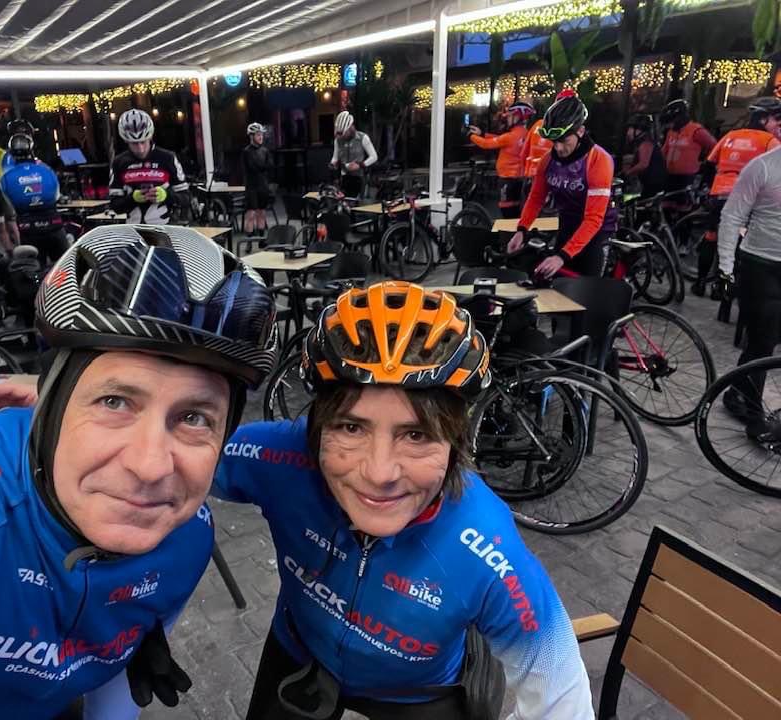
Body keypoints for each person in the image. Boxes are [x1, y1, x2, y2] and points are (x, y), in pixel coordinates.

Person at [0, 224, 279, 719]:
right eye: (114, 401)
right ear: (52, 405)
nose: (150, 466)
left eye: (194, 418)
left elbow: (115, 701)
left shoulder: (186, 538)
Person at [217, 281, 594, 719]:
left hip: (417, 694)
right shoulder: (281, 458)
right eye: (351, 428)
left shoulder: (486, 544)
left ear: (455, 441)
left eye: (416, 435)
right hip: (300, 652)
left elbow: (563, 699)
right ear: (317, 427)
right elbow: (170, 475)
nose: (380, 474)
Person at [508, 92, 616, 278]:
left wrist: (562, 257)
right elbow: (536, 198)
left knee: (587, 289)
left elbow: (593, 219)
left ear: (580, 131)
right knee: (555, 284)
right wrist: (521, 230)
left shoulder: (599, 160)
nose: (558, 148)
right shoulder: (547, 160)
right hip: (567, 225)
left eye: (564, 140)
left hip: (596, 232)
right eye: (554, 141)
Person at [716, 143, 781, 436]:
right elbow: (732, 216)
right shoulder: (762, 166)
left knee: (764, 342)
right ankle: (756, 419)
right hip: (760, 264)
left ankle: (735, 392)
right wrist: (725, 268)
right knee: (763, 341)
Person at [694, 96, 781, 298]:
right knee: (736, 242)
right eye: (776, 120)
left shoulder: (730, 136)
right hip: (745, 200)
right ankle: (722, 289)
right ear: (763, 119)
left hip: (719, 194)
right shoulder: (771, 142)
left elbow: (709, 163)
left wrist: (707, 189)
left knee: (711, 237)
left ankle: (700, 282)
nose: (778, 125)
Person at [109, 109, 189, 225]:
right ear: (126, 140)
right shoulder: (119, 162)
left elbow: (186, 198)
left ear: (150, 137)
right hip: (134, 228)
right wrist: (132, 198)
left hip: (166, 227)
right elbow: (114, 205)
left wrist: (166, 195)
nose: (140, 149)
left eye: (143, 142)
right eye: (134, 143)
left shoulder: (168, 158)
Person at [0, 132, 67, 264]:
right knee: (65, 268)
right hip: (54, 225)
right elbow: (56, 196)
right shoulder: (47, 170)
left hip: (28, 229)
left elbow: (9, 205)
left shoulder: (6, 178)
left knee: (33, 270)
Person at [469, 101, 535, 218]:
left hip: (507, 179)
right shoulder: (525, 134)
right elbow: (500, 139)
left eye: (509, 116)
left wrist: (471, 136)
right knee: (516, 211)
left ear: (517, 118)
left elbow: (486, 144)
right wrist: (482, 134)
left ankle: (509, 230)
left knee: (507, 211)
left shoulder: (510, 136)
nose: (507, 119)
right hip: (519, 178)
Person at [659, 99, 716, 204]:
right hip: (670, 175)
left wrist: (706, 163)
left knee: (683, 205)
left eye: (672, 121)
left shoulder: (696, 130)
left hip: (687, 177)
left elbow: (715, 147)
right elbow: (664, 151)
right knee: (667, 204)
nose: (670, 125)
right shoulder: (671, 132)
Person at [329, 111, 377, 200]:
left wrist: (360, 165)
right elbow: (335, 157)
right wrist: (333, 164)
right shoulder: (338, 140)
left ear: (350, 127)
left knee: (358, 203)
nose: (343, 136)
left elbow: (374, 157)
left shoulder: (362, 138)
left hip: (359, 177)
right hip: (344, 177)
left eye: (344, 133)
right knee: (344, 201)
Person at [622, 113, 667, 199]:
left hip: (653, 185)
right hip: (649, 184)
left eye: (630, 129)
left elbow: (643, 164)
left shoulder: (646, 143)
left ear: (638, 130)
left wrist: (628, 173)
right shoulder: (642, 143)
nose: (628, 133)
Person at [243, 122, 274, 239]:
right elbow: (252, 167)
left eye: (261, 135)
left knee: (262, 212)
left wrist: (262, 167)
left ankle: (261, 238)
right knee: (251, 213)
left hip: (263, 186)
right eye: (258, 135)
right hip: (251, 187)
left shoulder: (265, 151)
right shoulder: (246, 152)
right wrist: (262, 166)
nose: (261, 137)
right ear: (251, 136)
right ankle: (249, 241)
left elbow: (270, 165)